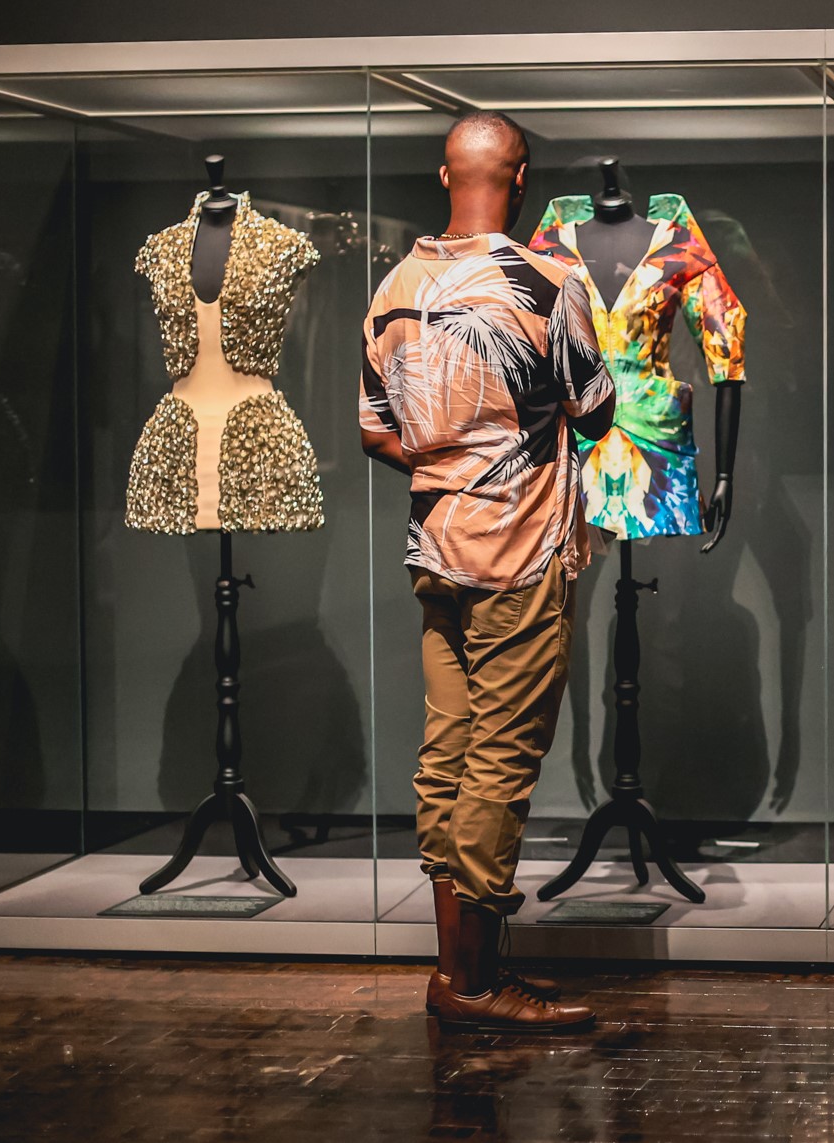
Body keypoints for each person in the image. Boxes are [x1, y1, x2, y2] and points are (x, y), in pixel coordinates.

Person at [360, 110, 615, 1031]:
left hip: (436, 546)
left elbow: (374, 428)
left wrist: (450, 466)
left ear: (443, 175)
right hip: (520, 550)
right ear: (523, 178)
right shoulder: (546, 282)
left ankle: (453, 971)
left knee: (448, 753)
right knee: (500, 760)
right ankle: (474, 982)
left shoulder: (395, 285)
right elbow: (593, 411)